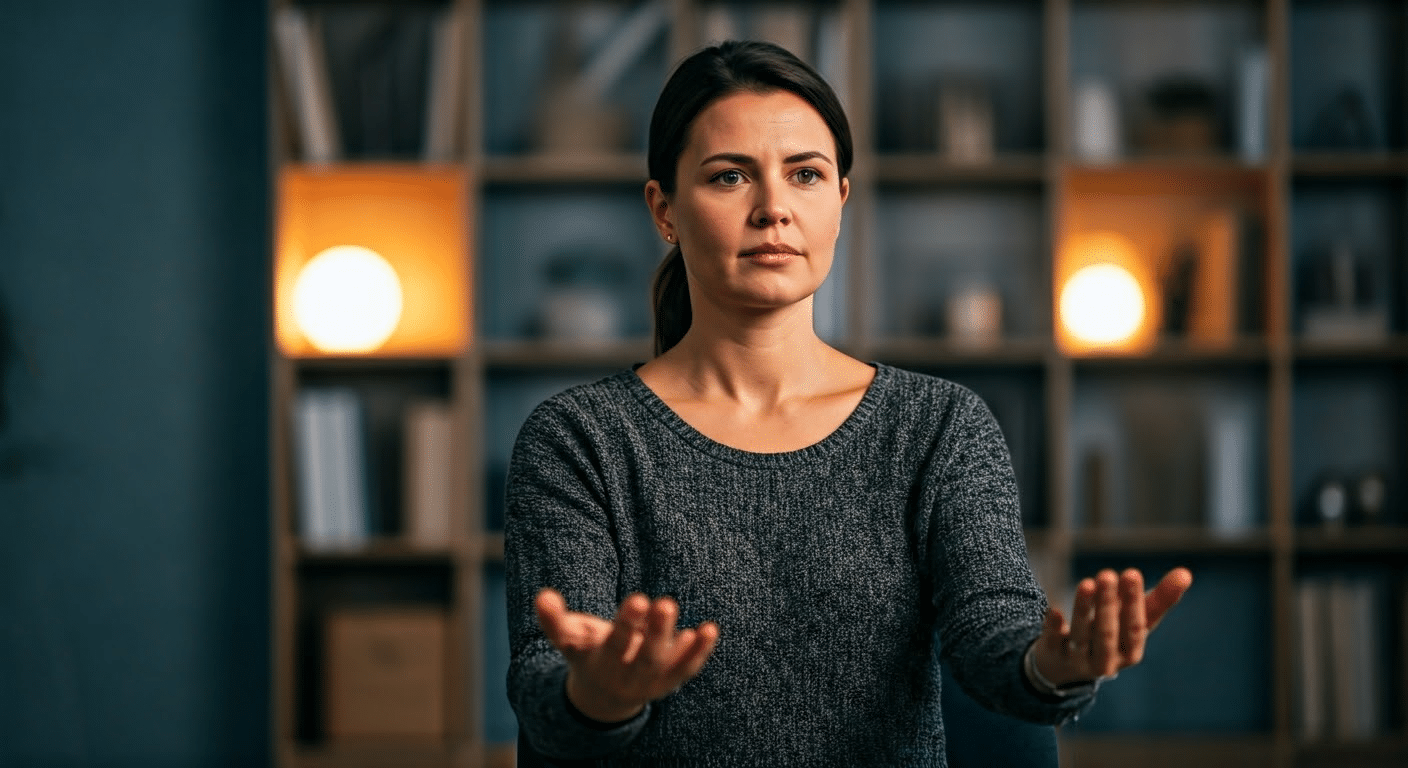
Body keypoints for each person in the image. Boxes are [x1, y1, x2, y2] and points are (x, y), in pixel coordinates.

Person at [504, 40, 1193, 766]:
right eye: (730, 176)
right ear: (664, 210)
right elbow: (547, 682)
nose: (773, 209)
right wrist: (603, 693)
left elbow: (995, 638)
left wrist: (1058, 665)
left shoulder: (939, 428)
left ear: (839, 201)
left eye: (805, 174)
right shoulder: (578, 440)